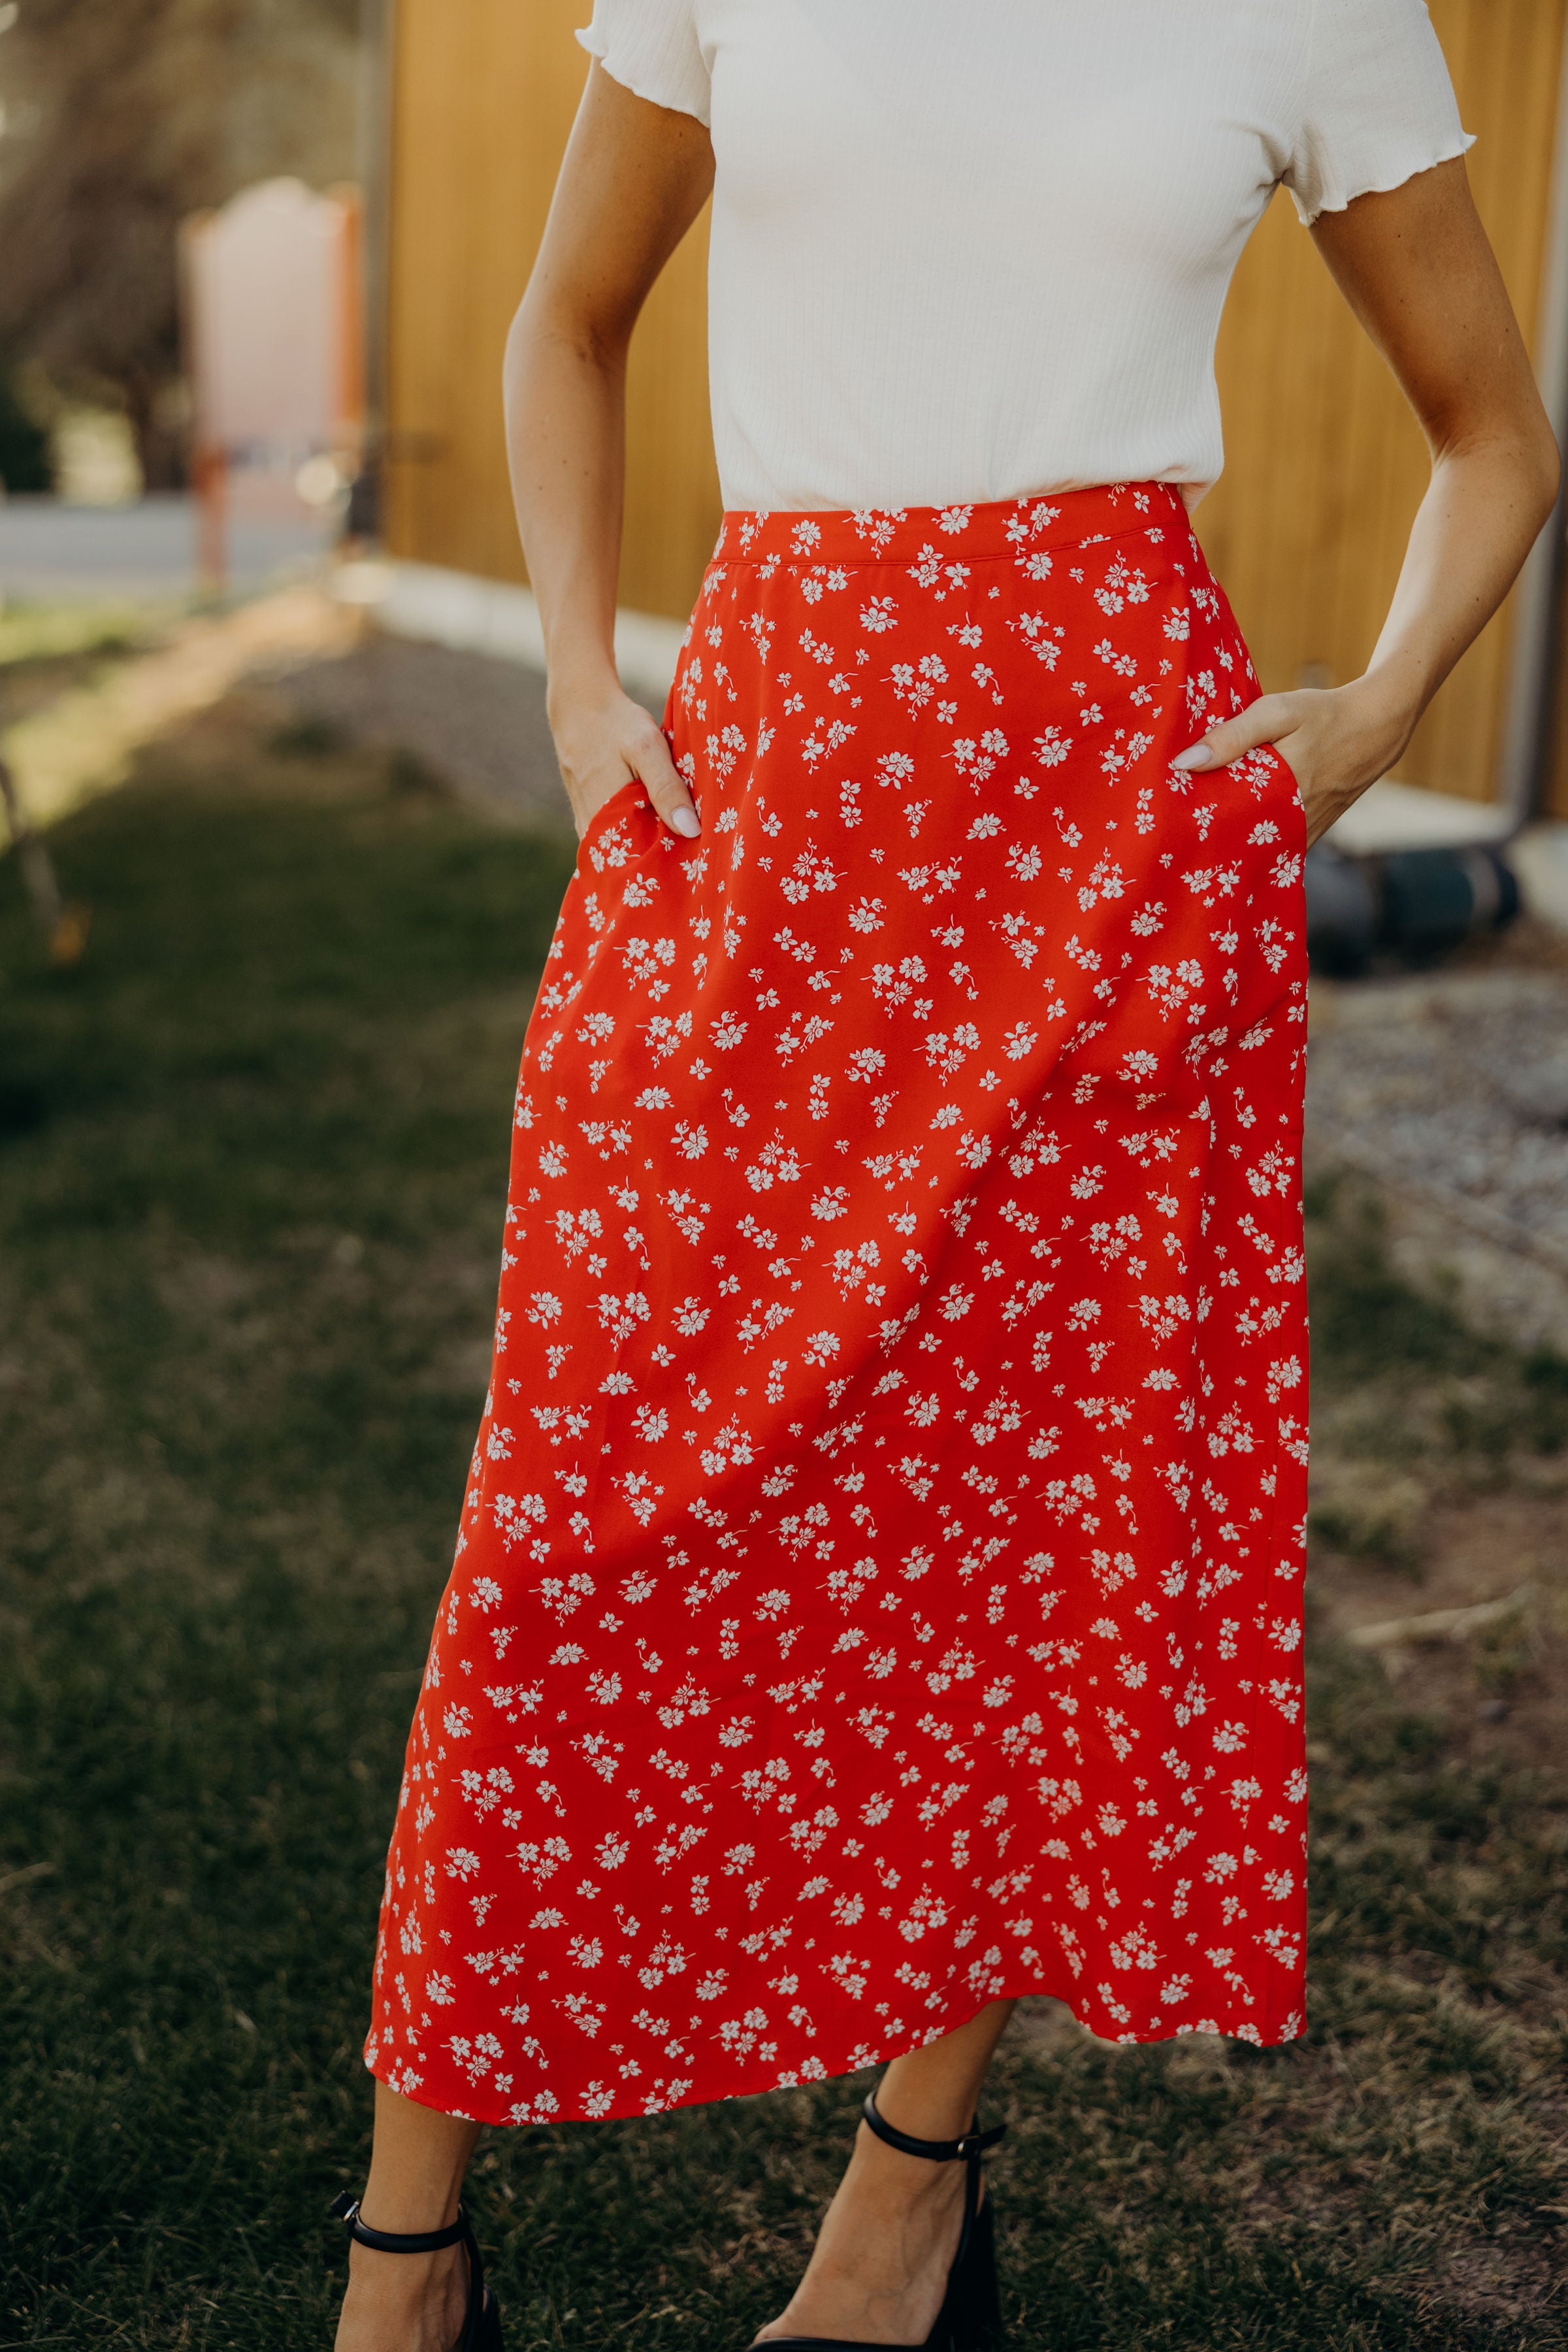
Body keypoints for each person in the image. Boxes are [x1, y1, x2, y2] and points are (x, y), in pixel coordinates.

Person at [332, 5, 1557, 2347]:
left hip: (1113, 835)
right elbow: (567, 314)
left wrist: (1384, 705)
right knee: (583, 1481)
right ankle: (410, 2247)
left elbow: (1496, 436)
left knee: (1029, 1514)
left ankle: (906, 2205)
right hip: (769, 809)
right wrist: (587, 690)